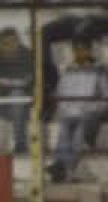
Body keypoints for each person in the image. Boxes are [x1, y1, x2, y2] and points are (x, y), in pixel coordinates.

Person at [46, 35, 108, 183]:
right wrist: (64, 109)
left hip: (90, 113)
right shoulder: (68, 70)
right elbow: (60, 93)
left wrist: (91, 108)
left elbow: (106, 97)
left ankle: (64, 167)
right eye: (76, 50)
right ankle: (60, 165)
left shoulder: (99, 70)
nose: (79, 53)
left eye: (83, 49)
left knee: (79, 133)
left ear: (89, 50)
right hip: (70, 111)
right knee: (64, 129)